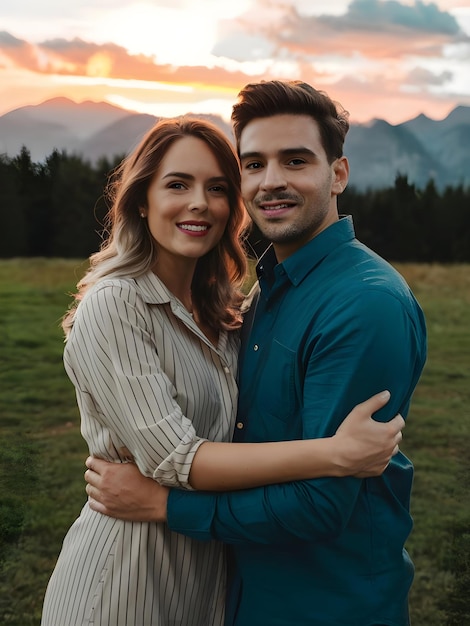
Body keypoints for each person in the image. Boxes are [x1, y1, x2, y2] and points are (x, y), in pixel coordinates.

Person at [85, 80, 427, 626]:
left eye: (295, 161)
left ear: (338, 173)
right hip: (233, 591)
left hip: (324, 603)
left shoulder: (364, 304)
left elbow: (321, 504)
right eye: (253, 164)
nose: (271, 182)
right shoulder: (266, 289)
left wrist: (166, 505)